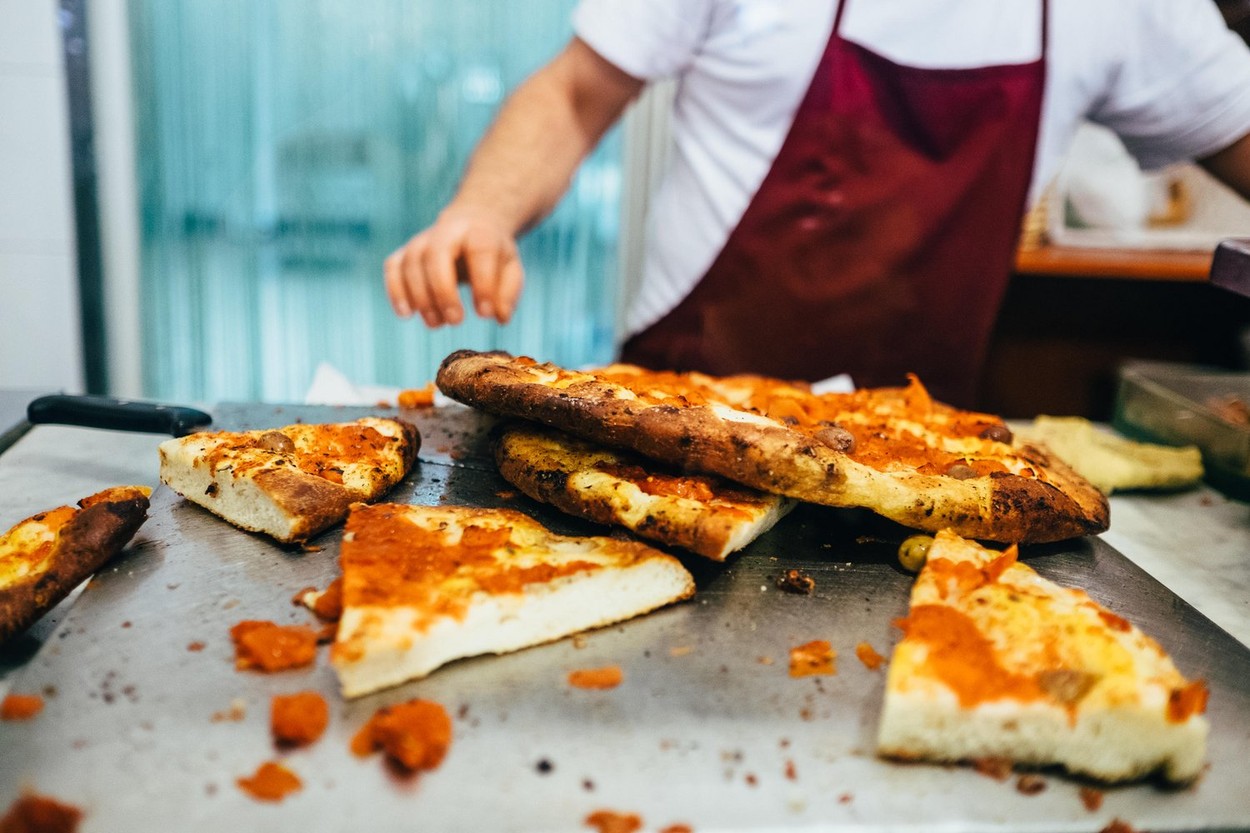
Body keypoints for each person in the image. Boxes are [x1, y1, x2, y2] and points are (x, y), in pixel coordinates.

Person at [383, 0, 1250, 407]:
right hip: (675, 423)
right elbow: (577, 91)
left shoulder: (1130, 8)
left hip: (909, 459)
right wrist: (481, 211)